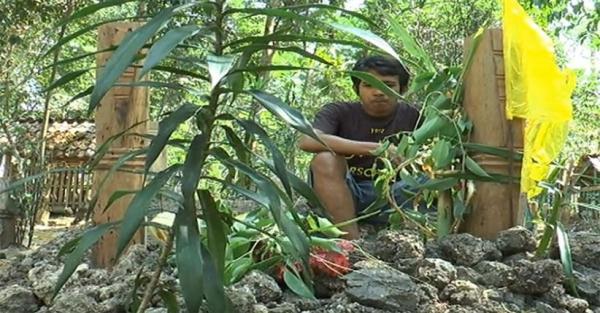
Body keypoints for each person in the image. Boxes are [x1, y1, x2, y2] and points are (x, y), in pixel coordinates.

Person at [298, 55, 421, 239]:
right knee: (324, 159)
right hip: (345, 193)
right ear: (357, 89)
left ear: (402, 89)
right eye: (369, 85)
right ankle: (351, 246)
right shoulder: (338, 111)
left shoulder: (415, 116)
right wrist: (377, 148)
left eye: (388, 84)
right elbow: (308, 141)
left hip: (397, 196)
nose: (378, 91)